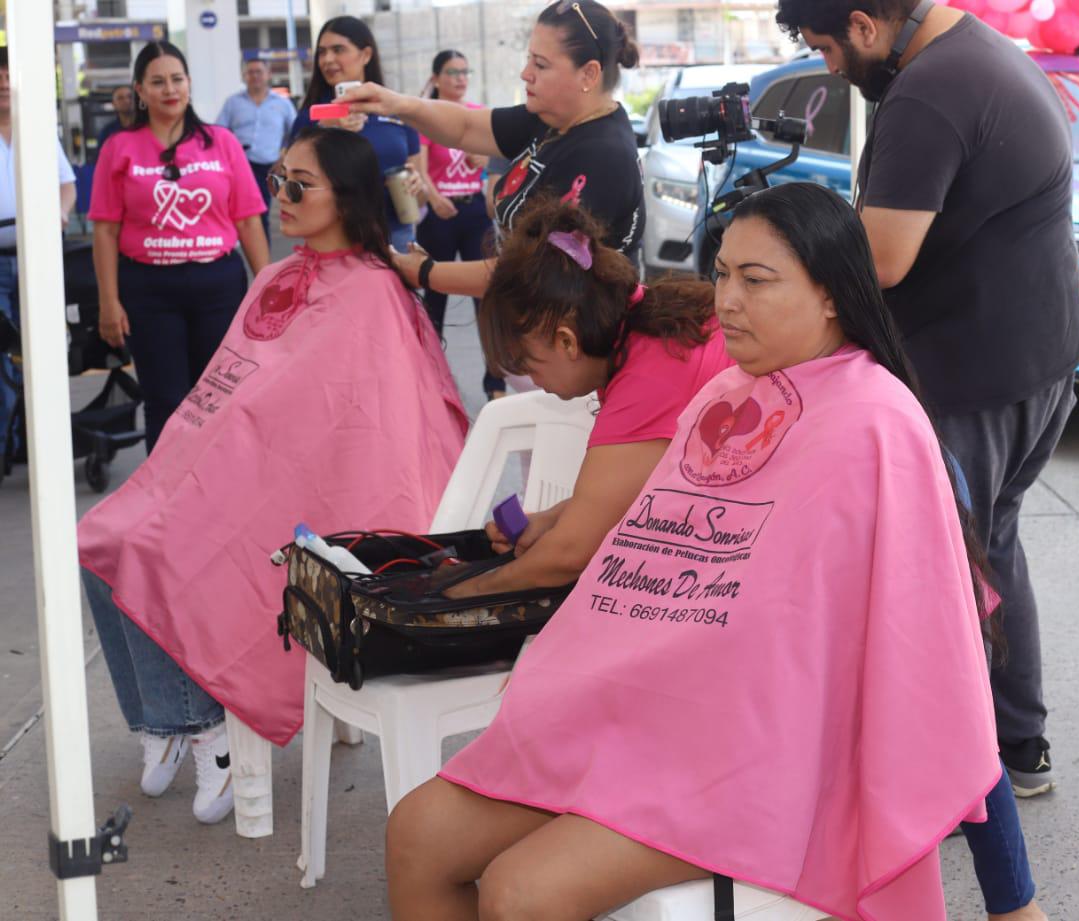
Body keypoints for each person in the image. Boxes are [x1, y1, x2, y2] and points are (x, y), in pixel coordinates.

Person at [384, 181, 1002, 921]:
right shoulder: (722, 396)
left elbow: (926, 652)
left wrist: (1011, 895)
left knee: (521, 893)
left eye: (757, 279)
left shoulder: (878, 423)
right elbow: (649, 549)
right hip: (639, 714)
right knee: (415, 834)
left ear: (833, 294)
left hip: (751, 756)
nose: (728, 300)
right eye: (723, 273)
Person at [77, 126, 468, 825]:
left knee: (151, 547)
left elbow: (357, 432)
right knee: (100, 534)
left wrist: (239, 467)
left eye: (298, 185)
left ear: (346, 198)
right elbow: (235, 393)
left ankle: (209, 729)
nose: (278, 196)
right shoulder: (273, 276)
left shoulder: (373, 295)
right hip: (224, 470)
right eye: (277, 179)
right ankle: (166, 720)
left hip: (298, 498)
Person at [775, 0, 1079, 799]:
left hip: (975, 376)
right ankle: (1018, 744)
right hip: (1037, 357)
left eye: (825, 48)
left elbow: (878, 259)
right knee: (988, 552)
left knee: (942, 573)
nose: (829, 67)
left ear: (864, 24)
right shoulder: (979, 50)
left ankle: (954, 776)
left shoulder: (928, 92)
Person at [443, 197, 732, 599]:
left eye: (531, 364)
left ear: (566, 341)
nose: (534, 382)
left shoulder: (648, 374)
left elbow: (569, 556)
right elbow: (628, 490)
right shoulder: (644, 319)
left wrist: (450, 595)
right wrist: (551, 519)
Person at [343, 0, 645, 306]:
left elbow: (535, 273)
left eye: (540, 65)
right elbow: (465, 127)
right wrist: (397, 104)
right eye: (529, 60)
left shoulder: (603, 156)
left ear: (589, 74)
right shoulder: (549, 119)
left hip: (579, 344)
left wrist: (427, 273)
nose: (525, 73)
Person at [91, 41, 271, 452]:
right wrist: (108, 302)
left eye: (176, 79)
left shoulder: (220, 142)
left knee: (221, 399)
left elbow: (247, 219)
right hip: (149, 290)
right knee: (166, 403)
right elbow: (104, 231)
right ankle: (166, 506)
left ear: (189, 83)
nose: (169, 89)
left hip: (218, 285)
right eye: (157, 82)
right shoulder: (119, 148)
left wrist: (266, 290)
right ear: (140, 90)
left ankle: (218, 498)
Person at [414, 50, 506, 399]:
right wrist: (434, 196)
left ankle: (495, 383)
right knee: (434, 294)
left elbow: (492, 162)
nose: (460, 78)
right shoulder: (428, 115)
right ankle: (429, 378)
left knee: (486, 297)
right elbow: (418, 169)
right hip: (439, 214)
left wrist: (483, 160)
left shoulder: (477, 114)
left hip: (473, 214)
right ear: (436, 78)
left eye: (465, 71)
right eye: (452, 72)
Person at [0, 46, 77, 457]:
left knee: (41, 351)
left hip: (37, 262)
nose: (3, 87)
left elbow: (66, 184)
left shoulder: (38, 130)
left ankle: (39, 444)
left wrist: (61, 212)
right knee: (3, 357)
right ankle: (7, 442)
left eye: (9, 80)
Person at [291, 16, 425, 251]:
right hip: (332, 239)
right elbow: (285, 183)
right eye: (322, 52)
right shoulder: (311, 115)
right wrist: (324, 129)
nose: (328, 59)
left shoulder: (397, 110)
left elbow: (421, 197)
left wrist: (416, 186)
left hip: (395, 237)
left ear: (366, 55)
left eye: (338, 50)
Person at [216, 58, 298, 242]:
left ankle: (262, 262)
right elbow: (219, 133)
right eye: (250, 72)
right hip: (239, 166)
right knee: (234, 212)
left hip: (267, 168)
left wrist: (283, 159)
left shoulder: (282, 104)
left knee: (260, 213)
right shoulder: (233, 103)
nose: (255, 76)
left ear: (268, 75)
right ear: (244, 76)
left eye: (259, 72)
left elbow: (294, 134)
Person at [94, 85, 135, 159]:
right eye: (120, 98)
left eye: (130, 97)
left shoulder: (147, 128)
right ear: (113, 104)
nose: (126, 101)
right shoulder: (107, 132)